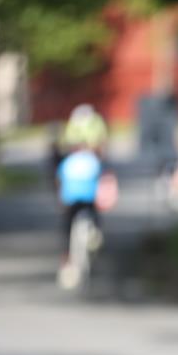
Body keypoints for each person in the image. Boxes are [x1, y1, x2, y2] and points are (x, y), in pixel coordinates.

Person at [55, 109, 116, 288]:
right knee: (93, 214)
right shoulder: (93, 160)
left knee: (67, 225)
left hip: (71, 198)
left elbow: (60, 180)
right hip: (88, 197)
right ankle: (94, 236)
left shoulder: (69, 161)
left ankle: (67, 259)